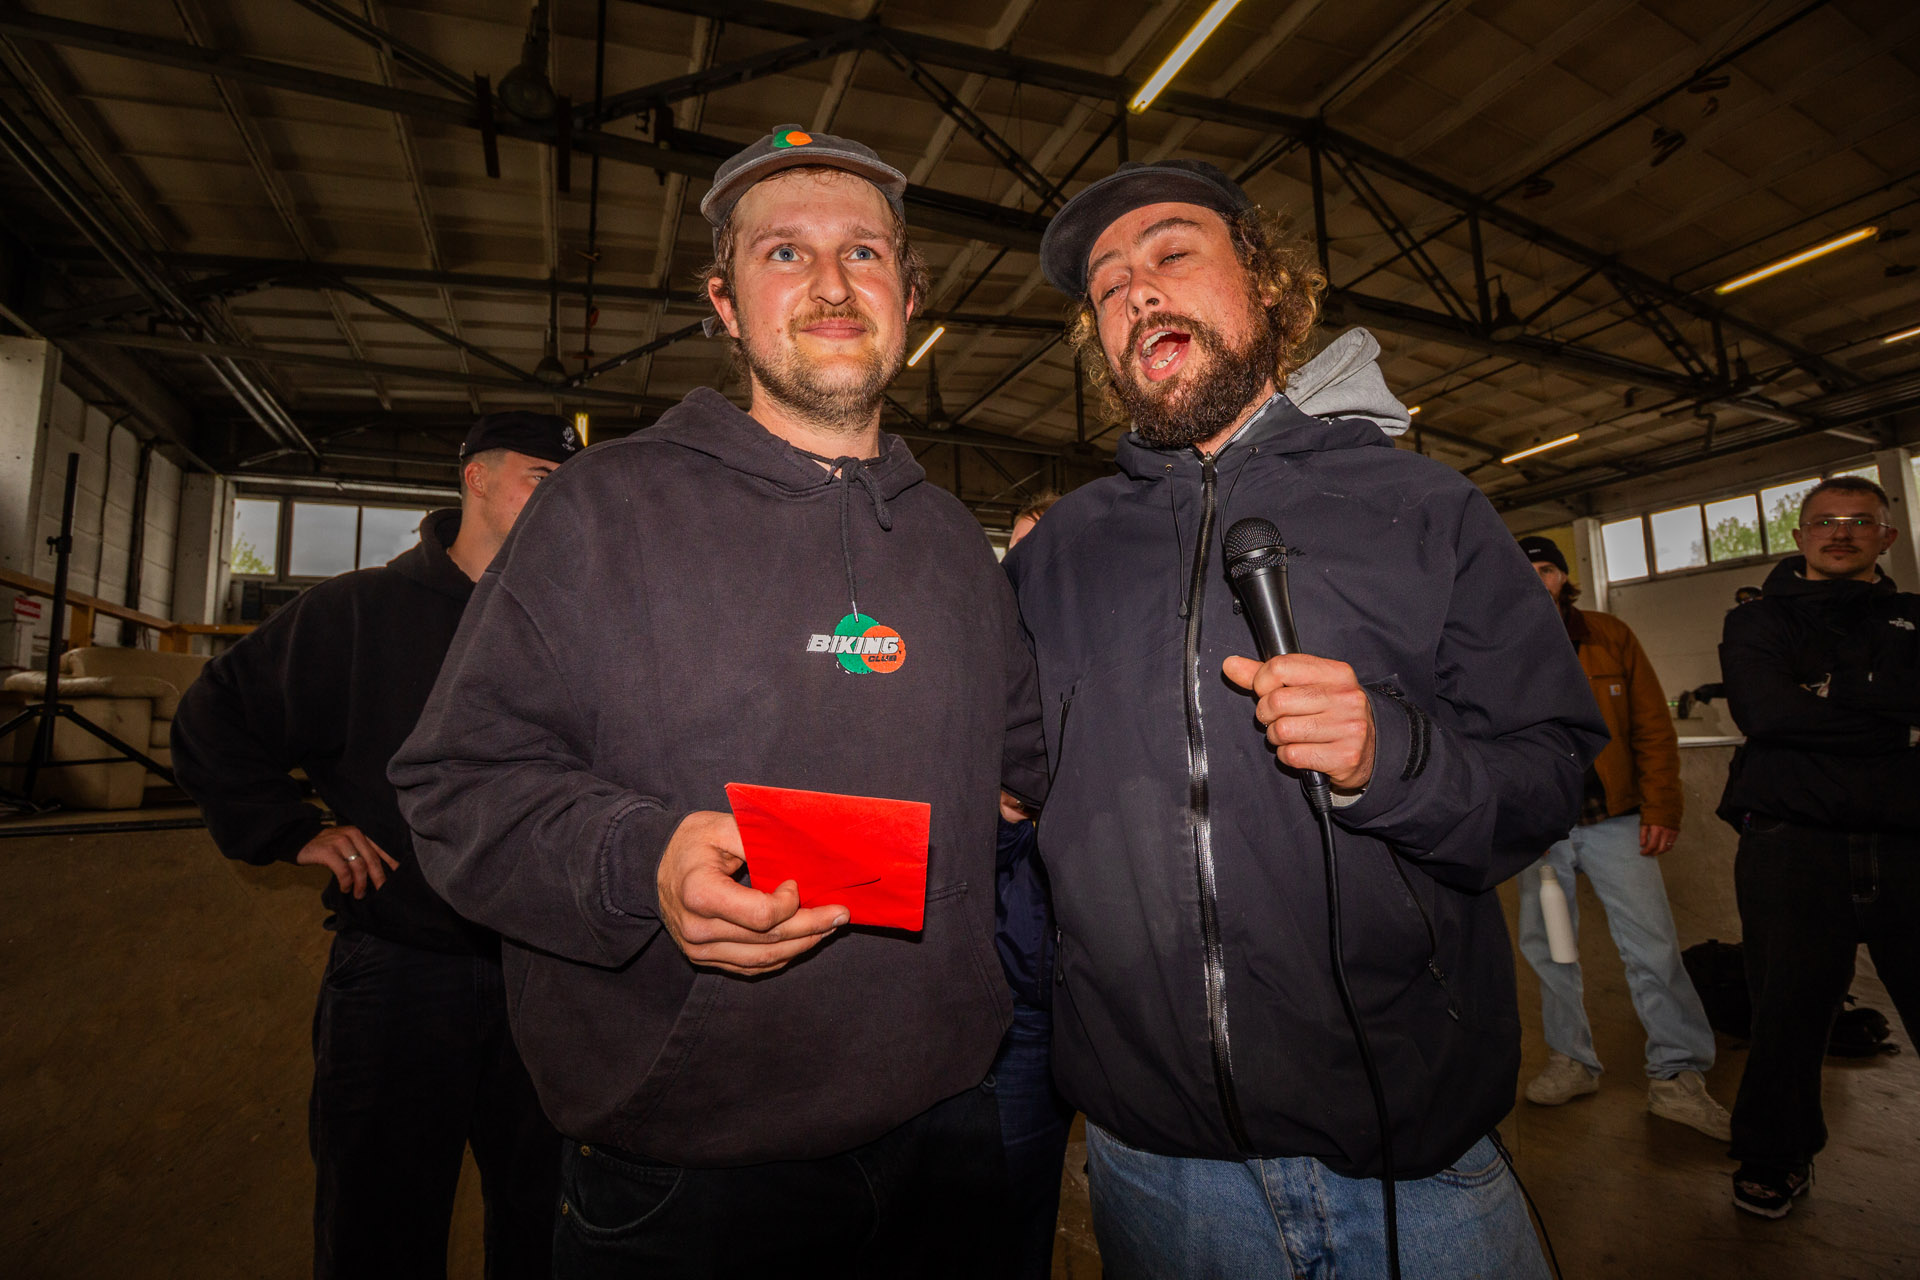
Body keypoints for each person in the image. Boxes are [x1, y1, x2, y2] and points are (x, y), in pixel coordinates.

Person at [388, 126, 1047, 1278]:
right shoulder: (606, 508)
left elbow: (1026, 756)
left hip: (948, 1125)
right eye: (785, 254)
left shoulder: (951, 541)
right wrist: (643, 858)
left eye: (867, 254)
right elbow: (455, 783)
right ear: (726, 304)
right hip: (688, 1162)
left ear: (908, 296)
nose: (834, 284)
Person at [1007, 158, 1606, 1278]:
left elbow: (1548, 772)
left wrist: (1395, 754)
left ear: (1270, 288)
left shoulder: (1427, 507)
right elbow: (1007, 779)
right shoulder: (1059, 558)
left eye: (1173, 251)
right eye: (1107, 285)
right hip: (1156, 1164)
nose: (1137, 289)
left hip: (1412, 1165)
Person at [170, 411, 580, 1280]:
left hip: (547, 981)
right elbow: (215, 716)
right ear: (476, 477)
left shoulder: (576, 629)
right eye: (542, 480)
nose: (560, 503)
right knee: (379, 1230)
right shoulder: (358, 612)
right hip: (402, 975)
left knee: (550, 1228)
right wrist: (295, 830)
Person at [1718, 474, 1920, 1218]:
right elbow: (1768, 713)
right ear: (1801, 537)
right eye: (1826, 521)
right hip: (1791, 847)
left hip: (1906, 846)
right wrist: (1899, 725)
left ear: (1886, 537)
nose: (1842, 532)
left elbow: (1799, 711)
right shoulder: (1758, 622)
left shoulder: (1912, 616)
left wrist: (1829, 696)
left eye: (1860, 522)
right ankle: (1775, 1156)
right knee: (1788, 1013)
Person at [1513, 534, 1730, 1139]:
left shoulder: (1609, 635)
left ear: (1564, 577)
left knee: (1652, 948)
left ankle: (1677, 1076)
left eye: (1547, 569)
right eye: (1523, 569)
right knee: (1552, 950)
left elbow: (1653, 728)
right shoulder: (1495, 639)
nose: (1535, 580)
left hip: (1615, 820)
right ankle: (1572, 1061)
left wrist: (1663, 805)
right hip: (1543, 832)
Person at [993, 489, 1073, 1279]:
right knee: (1005, 1210)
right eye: (1018, 557)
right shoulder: (979, 681)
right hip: (1017, 999)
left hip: (1127, 1007)